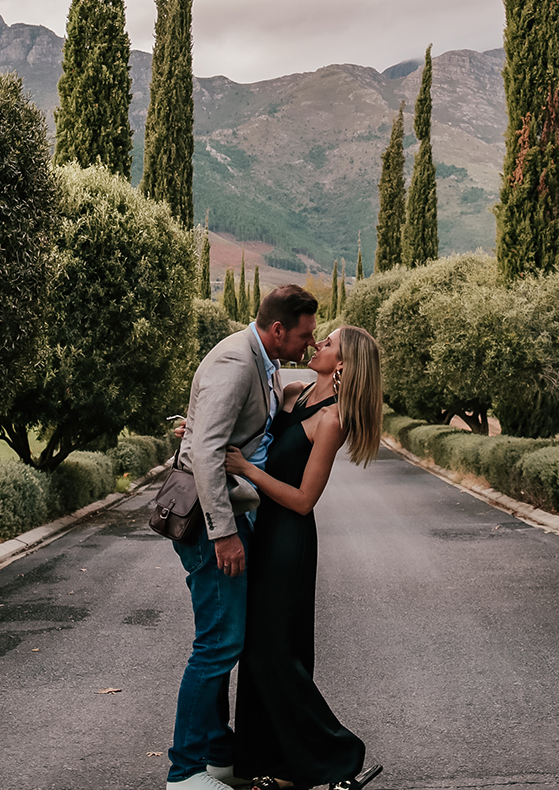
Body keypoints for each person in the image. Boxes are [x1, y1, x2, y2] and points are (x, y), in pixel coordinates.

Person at [167, 285, 319, 790]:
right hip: (213, 522)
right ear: (278, 329)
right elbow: (207, 454)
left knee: (229, 638)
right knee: (217, 643)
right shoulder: (237, 362)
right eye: (303, 335)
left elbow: (228, 429)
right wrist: (225, 535)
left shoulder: (264, 361)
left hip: (234, 514)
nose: (308, 344)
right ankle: (185, 772)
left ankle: (217, 757)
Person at [224, 324, 384, 790]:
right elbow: (250, 428)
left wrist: (247, 470)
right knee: (257, 654)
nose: (318, 344)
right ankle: (275, 766)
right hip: (262, 530)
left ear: (343, 364)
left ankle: (340, 755)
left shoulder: (331, 420)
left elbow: (302, 500)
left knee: (271, 653)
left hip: (290, 540)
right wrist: (203, 431)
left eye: (328, 342)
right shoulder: (292, 393)